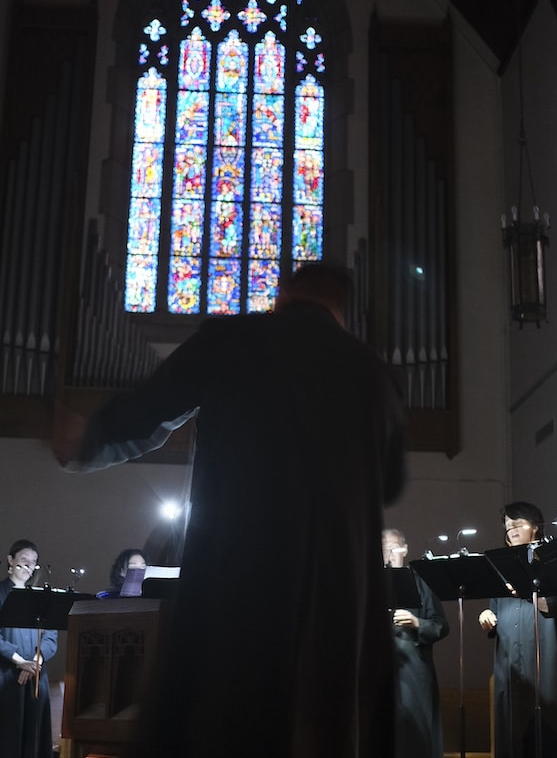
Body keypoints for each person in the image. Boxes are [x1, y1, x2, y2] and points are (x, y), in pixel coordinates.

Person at [54, 262, 407, 757]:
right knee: (323, 725)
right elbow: (390, 484)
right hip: (337, 599)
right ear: (342, 312)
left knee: (224, 716)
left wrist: (90, 439)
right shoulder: (375, 374)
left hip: (240, 572)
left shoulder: (234, 339)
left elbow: (152, 407)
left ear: (282, 297)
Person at [477, 501, 557, 758]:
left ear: (535, 527)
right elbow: (494, 609)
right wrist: (487, 615)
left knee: (548, 723)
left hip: (543, 653)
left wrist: (539, 599)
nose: (511, 530)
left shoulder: (551, 560)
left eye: (518, 524)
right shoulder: (500, 567)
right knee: (511, 727)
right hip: (509, 657)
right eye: (508, 527)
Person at [0, 539, 58, 758]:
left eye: (33, 562)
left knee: (32, 740)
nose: (28, 566)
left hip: (35, 677)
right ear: (10, 560)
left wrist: (34, 663)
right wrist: (20, 662)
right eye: (23, 560)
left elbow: (50, 636)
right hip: (2, 677)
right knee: (0, 740)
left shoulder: (40, 597)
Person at [382, 528, 449, 758]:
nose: (389, 553)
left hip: (414, 670)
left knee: (416, 736)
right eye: (384, 548)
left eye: (394, 548)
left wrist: (416, 622)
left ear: (405, 549)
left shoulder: (421, 583)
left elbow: (441, 626)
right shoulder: (371, 584)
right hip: (379, 670)